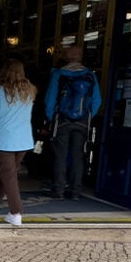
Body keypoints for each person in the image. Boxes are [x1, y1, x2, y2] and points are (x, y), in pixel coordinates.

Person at [0, 59, 37, 226]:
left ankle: (16, 212)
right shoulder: (30, 91)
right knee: (8, 173)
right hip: (24, 140)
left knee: (9, 175)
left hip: (3, 140)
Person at [44, 46, 101, 199]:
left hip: (62, 119)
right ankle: (76, 191)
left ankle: (59, 190)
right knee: (78, 156)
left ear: (66, 57)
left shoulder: (58, 74)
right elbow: (97, 100)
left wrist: (51, 117)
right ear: (80, 57)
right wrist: (86, 115)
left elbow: (50, 98)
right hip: (82, 121)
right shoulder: (90, 75)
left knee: (60, 156)